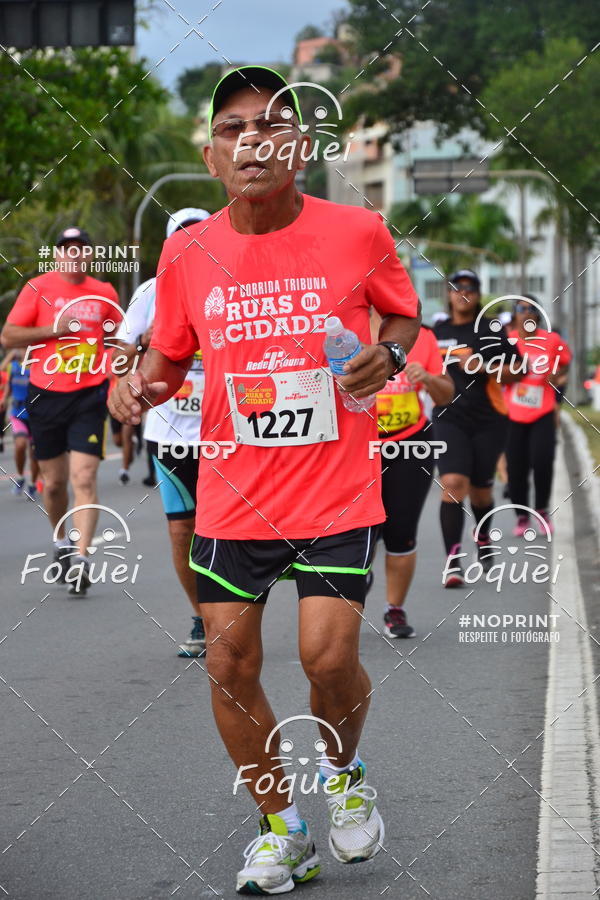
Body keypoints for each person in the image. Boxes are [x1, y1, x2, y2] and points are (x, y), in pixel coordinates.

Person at [109, 65, 421, 895]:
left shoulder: (357, 231)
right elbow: (170, 355)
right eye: (233, 128)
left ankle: (345, 776)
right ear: (212, 157)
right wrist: (135, 381)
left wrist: (387, 354)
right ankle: (282, 833)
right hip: (234, 495)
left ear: (301, 147)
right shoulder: (187, 249)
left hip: (335, 485)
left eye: (272, 123)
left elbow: (404, 314)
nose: (253, 138)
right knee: (231, 667)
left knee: (326, 657)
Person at [114, 207, 211, 657]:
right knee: (182, 529)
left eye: (201, 235)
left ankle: (232, 613)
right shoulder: (152, 291)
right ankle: (201, 615)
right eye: (182, 239)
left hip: (229, 430)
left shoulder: (230, 285)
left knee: (227, 529)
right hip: (170, 430)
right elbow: (121, 346)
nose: (192, 245)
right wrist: (136, 358)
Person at [0, 226, 118, 595]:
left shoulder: (105, 293)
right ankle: (61, 540)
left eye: (81, 249)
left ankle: (82, 558)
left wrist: (119, 378)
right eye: (67, 249)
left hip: (89, 395)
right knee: (53, 484)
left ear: (90, 255)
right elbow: (8, 336)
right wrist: (53, 329)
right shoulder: (37, 288)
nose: (75, 255)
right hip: (45, 395)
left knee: (83, 479)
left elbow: (116, 343)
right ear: (57, 255)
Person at [432, 269, 522, 587]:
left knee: (481, 492)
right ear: (449, 293)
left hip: (488, 420)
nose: (463, 292)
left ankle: (482, 536)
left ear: (478, 294)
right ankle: (453, 561)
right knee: (454, 483)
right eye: (457, 287)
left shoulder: (490, 331)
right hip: (448, 418)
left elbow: (517, 370)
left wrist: (484, 367)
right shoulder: (436, 332)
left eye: (470, 288)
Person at [373, 318, 454, 637]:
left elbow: (447, 393)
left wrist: (429, 378)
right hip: (357, 448)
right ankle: (356, 578)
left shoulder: (423, 337)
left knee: (401, 532)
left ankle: (394, 609)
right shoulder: (346, 331)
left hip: (411, 444)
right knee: (356, 532)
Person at [505, 296, 571, 535]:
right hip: (512, 414)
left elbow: (565, 363)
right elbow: (494, 372)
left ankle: (541, 511)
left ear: (537, 314)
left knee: (542, 462)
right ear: (515, 314)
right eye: (521, 309)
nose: (526, 313)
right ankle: (522, 516)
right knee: (516, 469)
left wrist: (557, 377)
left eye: (531, 309)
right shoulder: (507, 341)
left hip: (542, 410)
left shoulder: (551, 340)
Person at [3, 349, 39, 498]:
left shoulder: (39, 366)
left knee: (34, 452)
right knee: (20, 445)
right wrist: (5, 398)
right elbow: (5, 376)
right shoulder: (14, 366)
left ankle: (32, 483)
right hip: (17, 413)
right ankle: (20, 477)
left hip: (36, 416)